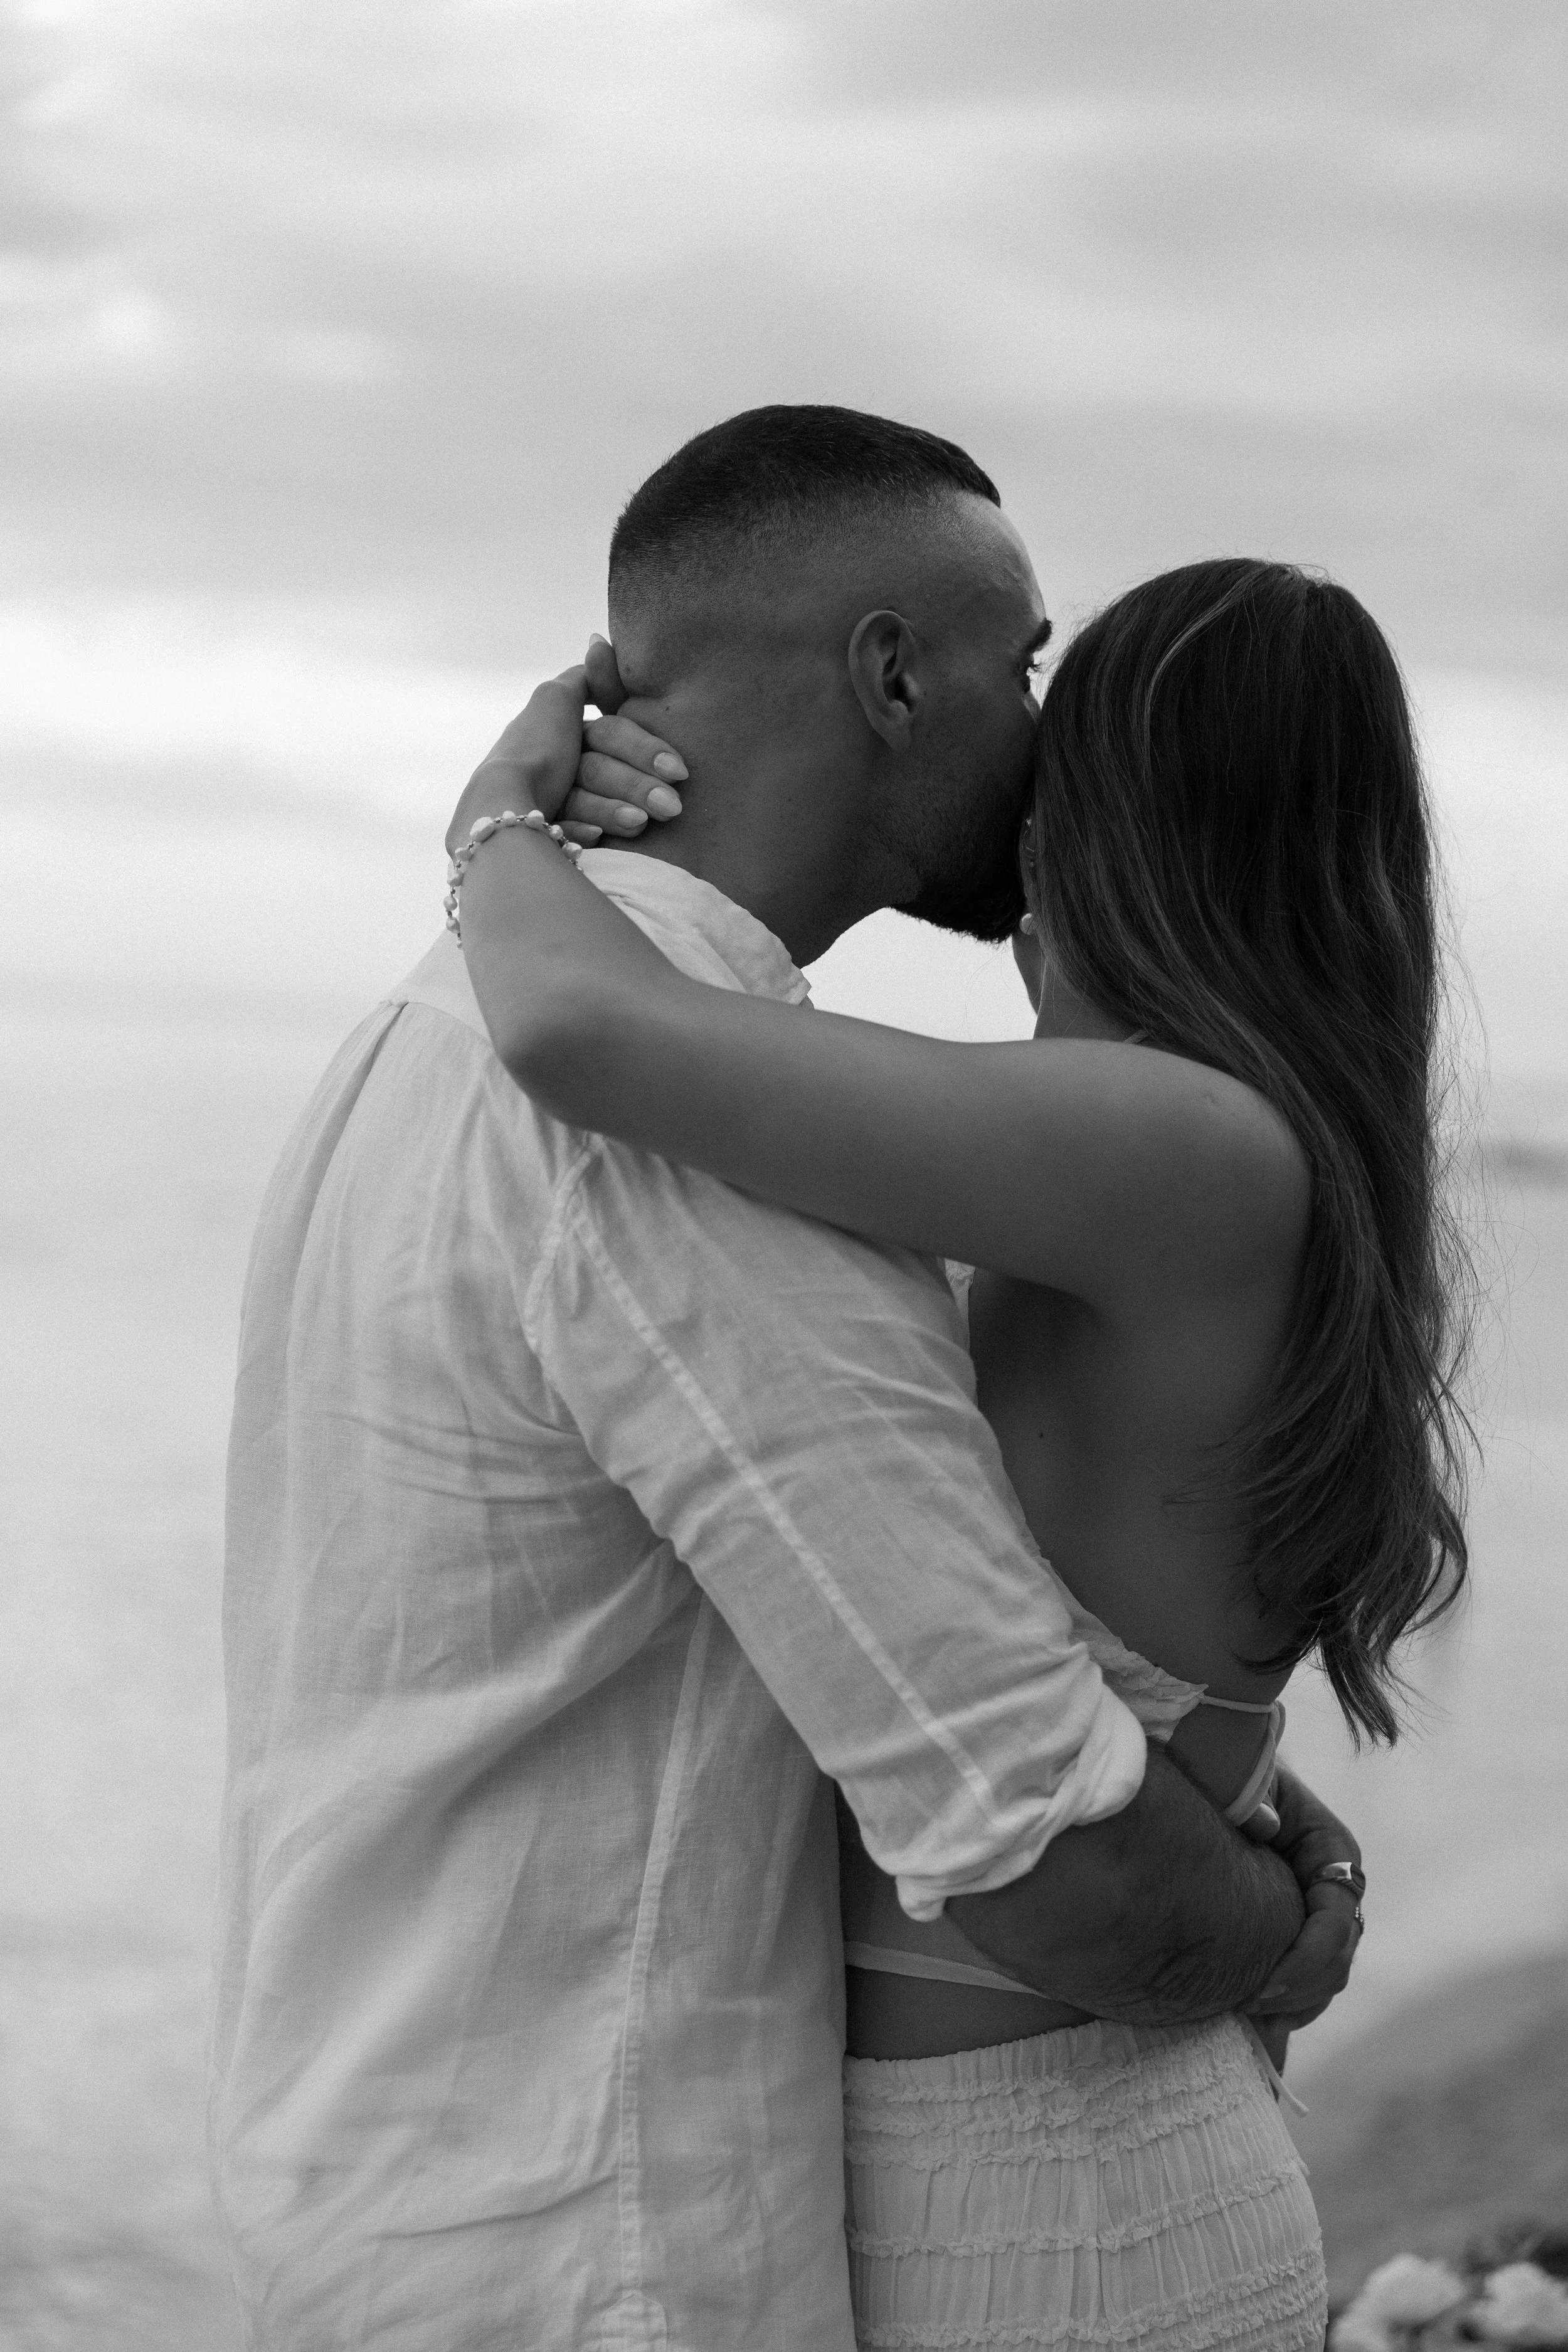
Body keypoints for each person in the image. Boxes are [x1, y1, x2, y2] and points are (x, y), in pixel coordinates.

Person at [210, 407, 1361, 2352]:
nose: (1042, 730)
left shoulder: (409, 1038)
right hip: (605, 2248)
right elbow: (1042, 1845)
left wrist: (493, 831)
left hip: (365, 2183)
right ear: (893, 671)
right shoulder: (691, 1143)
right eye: (1021, 664)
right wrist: (1279, 1921)